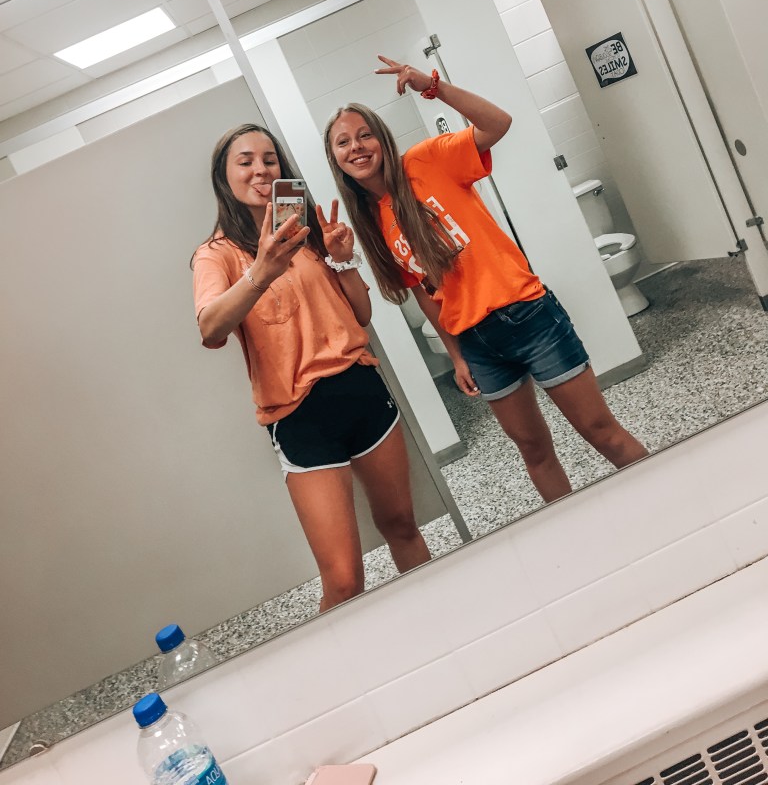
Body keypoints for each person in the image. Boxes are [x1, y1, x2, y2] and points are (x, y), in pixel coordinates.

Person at [323, 57, 649, 503]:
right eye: (343, 142)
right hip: (477, 345)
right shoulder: (370, 221)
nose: (357, 147)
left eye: (365, 135)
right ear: (335, 159)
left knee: (599, 429)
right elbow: (425, 293)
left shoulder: (426, 160)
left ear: (381, 138)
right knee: (534, 450)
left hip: (528, 315)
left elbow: (498, 122)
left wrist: (432, 86)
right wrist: (458, 357)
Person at [192, 122, 430, 611]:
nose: (261, 170)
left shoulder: (307, 231)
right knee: (343, 579)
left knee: (403, 526)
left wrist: (343, 259)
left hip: (361, 391)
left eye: (269, 160)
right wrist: (261, 270)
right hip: (299, 417)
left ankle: (445, 623)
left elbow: (361, 314)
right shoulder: (214, 255)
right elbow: (211, 328)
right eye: (245, 162)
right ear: (223, 177)